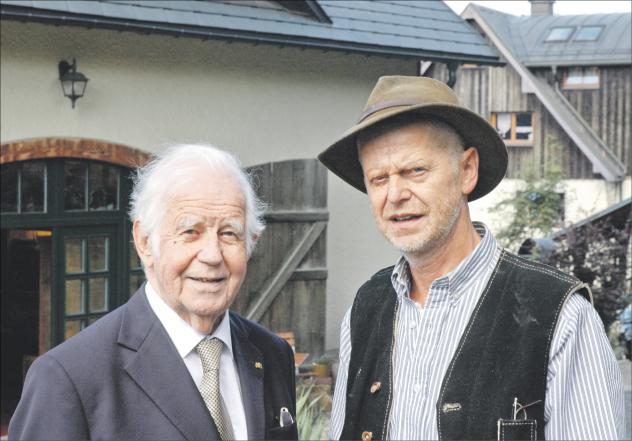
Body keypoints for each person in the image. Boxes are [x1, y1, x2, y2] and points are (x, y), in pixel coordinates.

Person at [319, 76, 624, 440]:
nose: (395, 194)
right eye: (378, 178)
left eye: (415, 170)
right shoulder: (364, 310)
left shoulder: (559, 316)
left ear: (467, 170)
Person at [9, 144, 298, 441]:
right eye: (190, 232)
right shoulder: (68, 378)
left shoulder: (273, 354)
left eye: (228, 233)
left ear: (250, 243)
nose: (212, 255)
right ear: (145, 241)